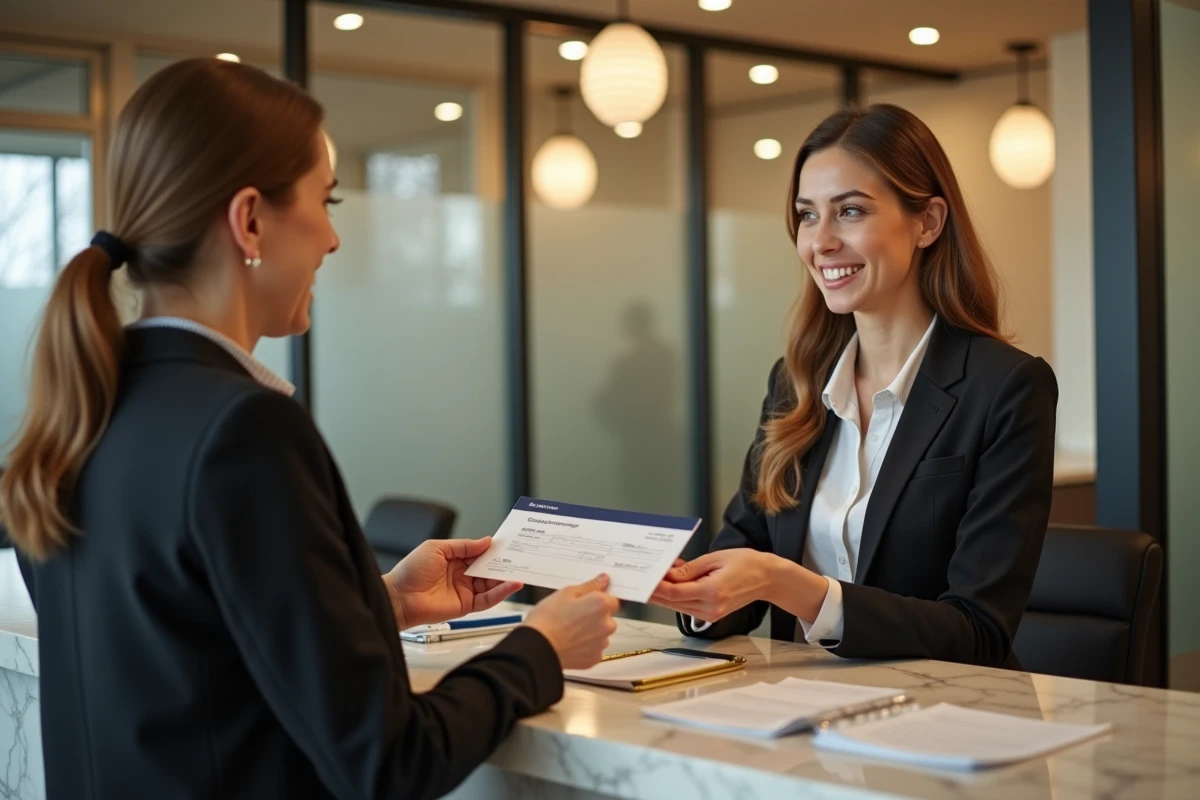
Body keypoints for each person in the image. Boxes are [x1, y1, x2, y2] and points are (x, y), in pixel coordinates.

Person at [0, 58, 618, 800]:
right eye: (327, 202)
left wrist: (376, 605)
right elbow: (387, 761)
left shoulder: (89, 408)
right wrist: (539, 647)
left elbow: (190, 655)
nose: (332, 240)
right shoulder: (243, 430)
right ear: (251, 220)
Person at [650, 103, 1058, 669]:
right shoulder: (796, 382)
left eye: (850, 211)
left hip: (945, 727)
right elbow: (743, 554)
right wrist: (693, 592)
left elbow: (980, 631)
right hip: (801, 720)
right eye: (807, 215)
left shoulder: (1007, 388)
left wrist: (793, 588)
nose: (820, 242)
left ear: (928, 222)